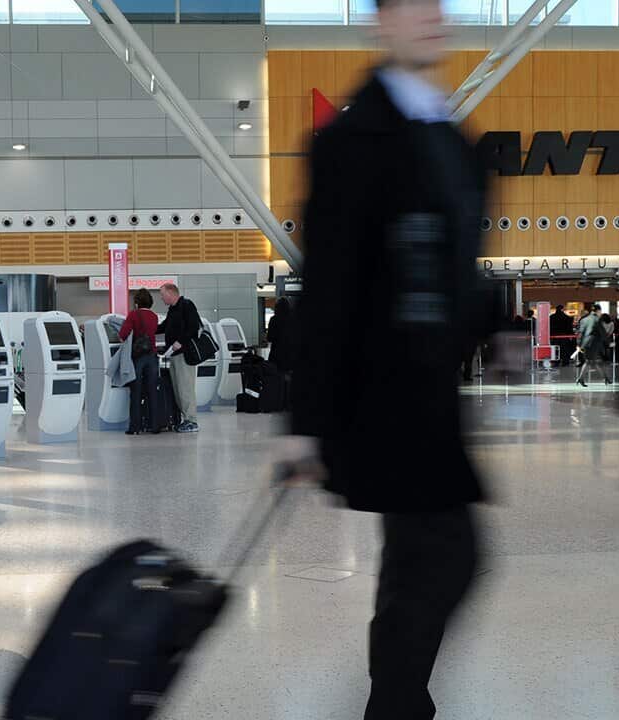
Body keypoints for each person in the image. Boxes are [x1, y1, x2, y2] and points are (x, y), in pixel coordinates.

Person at [289, 0, 496, 715]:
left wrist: (481, 319)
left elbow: (456, 261)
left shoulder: (448, 130)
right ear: (380, 21)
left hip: (430, 391)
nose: (434, 16)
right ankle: (399, 705)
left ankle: (396, 701)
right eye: (415, 6)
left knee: (416, 564)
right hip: (381, 395)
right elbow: (327, 285)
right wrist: (305, 417)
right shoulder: (353, 138)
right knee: (448, 557)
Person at [157, 283, 202, 433]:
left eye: (163, 294)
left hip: (185, 354)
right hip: (174, 354)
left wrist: (180, 341)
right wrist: (148, 329)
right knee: (178, 389)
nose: (162, 298)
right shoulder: (173, 309)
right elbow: (164, 326)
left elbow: (194, 327)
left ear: (171, 293)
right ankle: (185, 419)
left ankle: (192, 420)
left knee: (185, 388)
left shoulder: (187, 306)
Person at [119, 288, 161, 435]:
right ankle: (154, 426)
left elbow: (123, 334)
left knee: (136, 392)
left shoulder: (133, 315)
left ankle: (135, 427)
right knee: (152, 391)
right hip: (152, 356)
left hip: (138, 357)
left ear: (136, 303)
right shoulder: (154, 316)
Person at [576, 305, 610, 387]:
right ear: (598, 311)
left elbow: (580, 333)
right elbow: (603, 333)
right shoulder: (597, 320)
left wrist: (578, 344)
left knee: (590, 361)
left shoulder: (584, 319)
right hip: (594, 344)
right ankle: (605, 378)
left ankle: (605, 378)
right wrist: (608, 343)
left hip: (585, 344)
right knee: (593, 361)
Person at [267, 297, 293, 374]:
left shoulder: (274, 320)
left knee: (276, 378)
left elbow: (270, 338)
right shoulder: (293, 319)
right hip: (289, 355)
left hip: (276, 355)